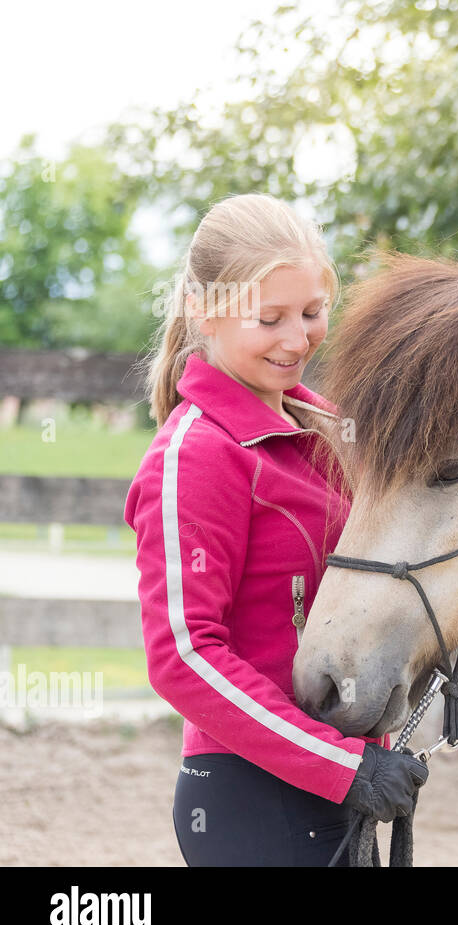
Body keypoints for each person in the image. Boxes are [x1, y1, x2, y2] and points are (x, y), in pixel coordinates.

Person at [124, 194, 428, 866]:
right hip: (256, 797)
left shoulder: (333, 434)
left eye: (313, 313)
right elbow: (184, 656)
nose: (298, 340)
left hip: (341, 785)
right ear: (205, 311)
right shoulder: (198, 455)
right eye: (270, 320)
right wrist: (341, 766)